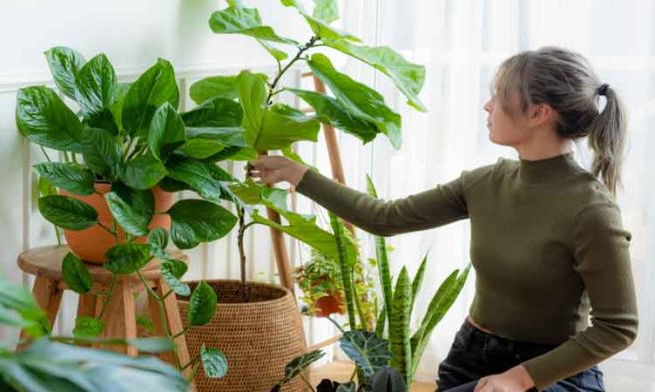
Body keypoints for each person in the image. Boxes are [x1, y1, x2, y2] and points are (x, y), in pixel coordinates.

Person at [248, 46, 638, 392]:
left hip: (553, 371)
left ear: (539, 113)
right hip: (472, 355)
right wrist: (294, 172)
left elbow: (618, 328)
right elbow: (385, 217)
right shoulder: (484, 183)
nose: (487, 107)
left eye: (499, 97)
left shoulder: (591, 211)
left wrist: (520, 378)